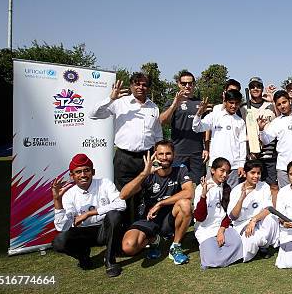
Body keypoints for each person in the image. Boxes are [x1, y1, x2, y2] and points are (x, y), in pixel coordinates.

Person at [89, 73, 163, 221]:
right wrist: (111, 98)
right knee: (123, 195)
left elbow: (157, 133)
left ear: (148, 87)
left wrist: (157, 155)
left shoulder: (153, 107)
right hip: (124, 158)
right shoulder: (119, 102)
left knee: (144, 193)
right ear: (131, 86)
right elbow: (93, 114)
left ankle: (140, 227)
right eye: (137, 84)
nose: (140, 87)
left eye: (144, 84)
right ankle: (123, 229)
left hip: (146, 157)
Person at [120, 140, 194, 265]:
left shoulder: (180, 169)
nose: (164, 157)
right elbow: (123, 195)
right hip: (149, 218)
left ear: (174, 154)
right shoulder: (148, 173)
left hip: (170, 217)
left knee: (185, 204)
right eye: (161, 154)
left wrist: (160, 203)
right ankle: (154, 240)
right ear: (155, 155)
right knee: (129, 247)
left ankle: (175, 246)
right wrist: (144, 174)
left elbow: (189, 193)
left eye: (168, 153)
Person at [52, 154, 126, 277]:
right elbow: (61, 227)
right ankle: (83, 256)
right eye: (78, 172)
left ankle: (110, 261)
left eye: (86, 170)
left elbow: (121, 204)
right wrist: (57, 201)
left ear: (93, 172)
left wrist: (90, 213)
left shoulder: (104, 183)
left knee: (114, 215)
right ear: (72, 176)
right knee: (59, 242)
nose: (83, 175)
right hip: (83, 233)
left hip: (104, 229)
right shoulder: (69, 194)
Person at [193, 157, 243, 269]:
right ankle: (214, 254)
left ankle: (217, 253)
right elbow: (199, 217)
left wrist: (221, 230)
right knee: (211, 259)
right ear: (212, 170)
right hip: (205, 230)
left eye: (227, 172)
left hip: (222, 227)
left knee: (239, 243)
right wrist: (203, 196)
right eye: (222, 170)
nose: (225, 174)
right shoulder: (201, 188)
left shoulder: (226, 188)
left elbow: (228, 214)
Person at [160, 70, 209, 182]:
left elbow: (206, 127)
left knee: (198, 185)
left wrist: (206, 148)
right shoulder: (172, 102)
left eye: (190, 83)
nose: (187, 86)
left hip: (197, 152)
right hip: (178, 151)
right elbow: (162, 121)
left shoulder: (200, 102)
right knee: (177, 183)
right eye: (184, 83)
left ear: (194, 84)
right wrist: (174, 105)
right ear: (178, 84)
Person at [192, 90, 247, 188]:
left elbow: (242, 144)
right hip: (215, 165)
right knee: (211, 195)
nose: (234, 106)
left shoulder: (240, 122)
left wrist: (241, 164)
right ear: (225, 102)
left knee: (231, 197)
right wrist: (199, 113)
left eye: (236, 103)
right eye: (231, 102)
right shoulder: (215, 116)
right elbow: (196, 128)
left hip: (233, 167)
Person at [227, 160, 279, 262]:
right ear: (245, 173)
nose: (256, 176)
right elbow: (233, 217)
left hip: (259, 220)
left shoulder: (264, 186)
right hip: (242, 224)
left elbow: (269, 209)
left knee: (272, 218)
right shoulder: (236, 190)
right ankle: (260, 243)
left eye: (258, 173)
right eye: (252, 173)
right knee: (249, 248)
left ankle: (264, 246)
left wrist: (254, 220)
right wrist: (241, 198)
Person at [258, 90, 292, 188]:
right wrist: (261, 129)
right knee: (286, 198)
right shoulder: (276, 122)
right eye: (279, 104)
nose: (282, 106)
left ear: (289, 101)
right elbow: (265, 140)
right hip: (283, 168)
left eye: (284, 102)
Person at [240, 77, 278, 199]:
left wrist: (273, 101)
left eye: (258, 86)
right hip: (252, 154)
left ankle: (273, 214)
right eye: (252, 86)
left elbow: (279, 121)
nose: (255, 88)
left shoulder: (270, 105)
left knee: (272, 186)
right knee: (252, 185)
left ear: (262, 88)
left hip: (269, 153)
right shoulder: (243, 108)